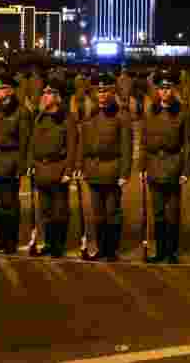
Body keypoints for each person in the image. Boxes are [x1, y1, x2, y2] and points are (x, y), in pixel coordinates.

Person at [77, 73, 133, 261]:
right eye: (98, 91)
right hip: (93, 169)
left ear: (112, 92)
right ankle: (101, 247)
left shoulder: (121, 116)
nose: (101, 95)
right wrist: (80, 166)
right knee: (98, 214)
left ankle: (111, 250)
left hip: (112, 169)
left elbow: (126, 147)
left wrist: (125, 172)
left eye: (105, 91)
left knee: (112, 213)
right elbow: (82, 144)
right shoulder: (90, 115)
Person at [140, 68, 190, 264]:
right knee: (158, 212)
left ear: (173, 89)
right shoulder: (150, 111)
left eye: (168, 88)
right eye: (161, 88)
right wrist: (142, 168)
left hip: (173, 164)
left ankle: (172, 251)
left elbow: (188, 143)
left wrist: (187, 170)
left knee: (172, 212)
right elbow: (144, 142)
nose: (164, 92)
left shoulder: (183, 112)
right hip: (154, 164)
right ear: (157, 90)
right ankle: (160, 250)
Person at [0, 74, 32, 254]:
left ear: (10, 90)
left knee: (10, 203)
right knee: (0, 204)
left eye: (2, 89)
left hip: (10, 160)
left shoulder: (21, 112)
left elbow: (25, 141)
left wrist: (21, 165)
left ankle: (11, 240)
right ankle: (3, 239)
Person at [28, 79, 78, 258]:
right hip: (41, 168)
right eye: (44, 93)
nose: (45, 96)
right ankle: (49, 242)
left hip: (58, 168)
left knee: (59, 211)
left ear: (57, 97)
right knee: (46, 210)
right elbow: (32, 143)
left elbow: (72, 146)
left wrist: (68, 170)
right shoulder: (39, 117)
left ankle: (59, 244)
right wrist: (31, 164)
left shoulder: (66, 118)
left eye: (49, 94)